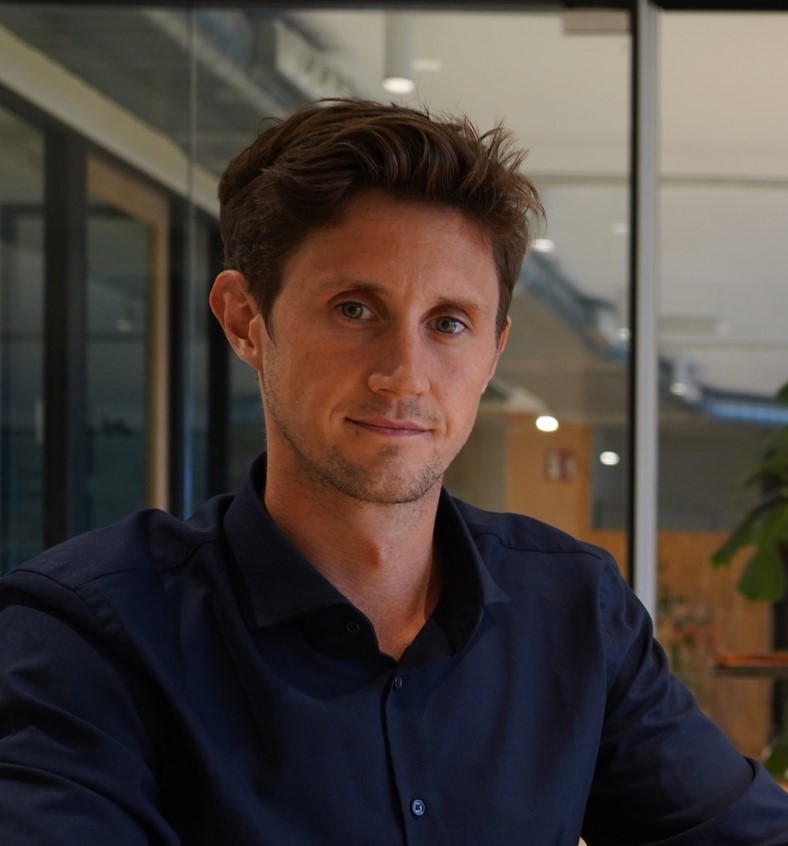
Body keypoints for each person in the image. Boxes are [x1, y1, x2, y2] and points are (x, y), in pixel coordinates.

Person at [1, 99, 787, 846]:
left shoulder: (574, 611)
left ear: (494, 350)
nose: (404, 375)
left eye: (449, 323)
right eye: (354, 309)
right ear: (245, 320)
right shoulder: (92, 633)